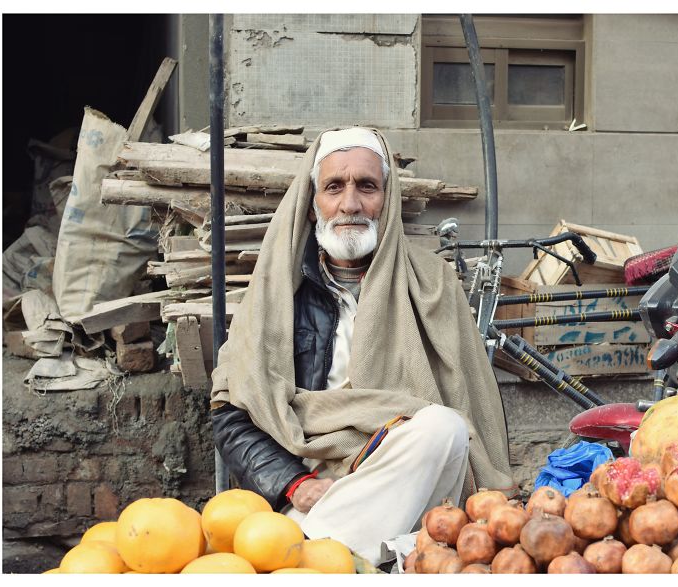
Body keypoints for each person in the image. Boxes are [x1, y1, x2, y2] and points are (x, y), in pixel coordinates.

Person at [210, 127, 514, 565]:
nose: (350, 204)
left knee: (444, 429)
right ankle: (336, 556)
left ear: (387, 201)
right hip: (315, 488)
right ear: (313, 204)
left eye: (367, 187)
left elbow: (472, 405)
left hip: (412, 478)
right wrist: (294, 484)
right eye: (334, 187)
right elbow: (230, 416)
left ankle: (307, 560)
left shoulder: (432, 284)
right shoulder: (277, 294)